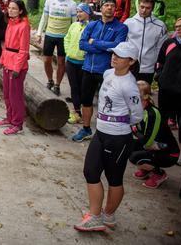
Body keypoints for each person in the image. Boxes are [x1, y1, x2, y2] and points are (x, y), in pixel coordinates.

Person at [73, 42, 142, 232]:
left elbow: (137, 115)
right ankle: (95, 216)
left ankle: (107, 215)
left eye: (120, 56)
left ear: (131, 61)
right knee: (90, 172)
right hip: (101, 132)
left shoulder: (129, 85)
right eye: (114, 54)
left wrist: (118, 124)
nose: (114, 57)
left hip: (118, 137)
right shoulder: (107, 73)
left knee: (114, 178)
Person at [72, 0, 128, 142]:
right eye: (106, 5)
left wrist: (95, 42)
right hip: (88, 69)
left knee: (107, 102)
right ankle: (86, 129)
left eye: (112, 5)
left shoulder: (121, 27)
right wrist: (104, 46)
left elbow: (116, 46)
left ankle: (104, 131)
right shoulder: (92, 25)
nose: (109, 7)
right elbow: (82, 44)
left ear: (115, 9)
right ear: (101, 8)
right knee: (86, 101)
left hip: (107, 71)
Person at [129, 81, 180, 189]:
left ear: (145, 97)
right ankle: (147, 168)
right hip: (153, 145)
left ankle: (159, 173)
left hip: (168, 152)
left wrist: (134, 130)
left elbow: (146, 140)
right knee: (127, 146)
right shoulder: (136, 108)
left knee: (134, 157)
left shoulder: (153, 113)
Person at [155, 15, 181, 165]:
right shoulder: (169, 43)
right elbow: (160, 62)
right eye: (176, 26)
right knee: (162, 119)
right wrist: (160, 78)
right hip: (166, 90)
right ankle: (164, 145)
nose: (178, 28)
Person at [36, 0, 77, 96]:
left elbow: (74, 23)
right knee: (47, 61)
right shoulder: (50, 1)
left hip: (63, 37)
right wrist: (39, 33)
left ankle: (58, 85)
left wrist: (73, 38)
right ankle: (50, 80)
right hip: (50, 34)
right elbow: (44, 18)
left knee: (61, 62)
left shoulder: (72, 4)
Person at [0, 0, 30, 135]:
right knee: (6, 93)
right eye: (9, 8)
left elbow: (23, 50)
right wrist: (2, 59)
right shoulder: (10, 23)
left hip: (17, 65)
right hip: (8, 61)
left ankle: (17, 123)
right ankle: (9, 117)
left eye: (14, 8)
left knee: (15, 96)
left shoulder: (24, 26)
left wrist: (17, 68)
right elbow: (6, 45)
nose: (10, 10)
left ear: (21, 11)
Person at [125, 0, 167, 84]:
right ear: (138, 6)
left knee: (143, 94)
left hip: (148, 68)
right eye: (142, 7)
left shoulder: (160, 25)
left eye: (148, 8)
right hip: (129, 66)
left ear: (152, 9)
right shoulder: (128, 23)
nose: (144, 10)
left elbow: (161, 48)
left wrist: (157, 65)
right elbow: (124, 44)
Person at [64, 4, 92, 125]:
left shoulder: (92, 27)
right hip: (70, 61)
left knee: (82, 88)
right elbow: (67, 39)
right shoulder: (74, 25)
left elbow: (91, 43)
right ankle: (77, 113)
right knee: (74, 87)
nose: (78, 14)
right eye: (77, 11)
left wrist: (86, 54)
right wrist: (68, 51)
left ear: (87, 13)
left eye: (81, 11)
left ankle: (84, 112)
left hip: (83, 63)